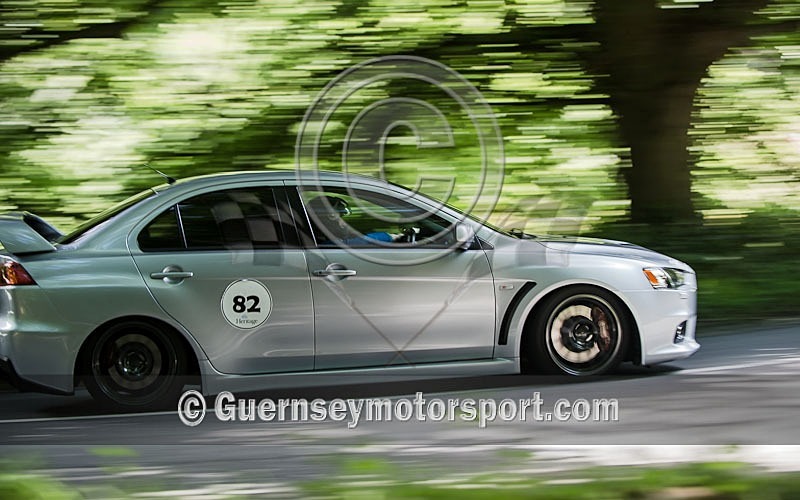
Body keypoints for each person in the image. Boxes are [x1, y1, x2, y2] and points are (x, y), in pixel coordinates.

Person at [306, 195, 399, 247]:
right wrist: (389, 236)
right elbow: (353, 242)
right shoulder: (322, 243)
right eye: (340, 217)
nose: (343, 223)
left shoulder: (319, 237)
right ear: (326, 217)